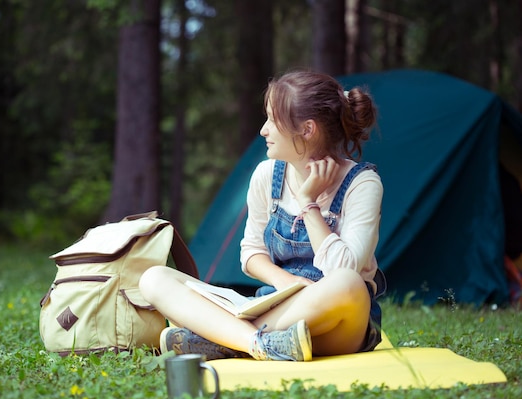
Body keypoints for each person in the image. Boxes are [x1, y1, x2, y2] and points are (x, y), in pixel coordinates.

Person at [139, 70, 384, 361]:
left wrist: (308, 203)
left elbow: (346, 267)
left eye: (272, 120)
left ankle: (224, 337)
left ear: (307, 130)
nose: (263, 130)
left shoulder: (362, 184)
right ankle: (258, 343)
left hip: (337, 322)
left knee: (347, 283)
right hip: (275, 307)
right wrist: (286, 283)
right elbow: (251, 253)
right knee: (154, 279)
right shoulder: (267, 176)